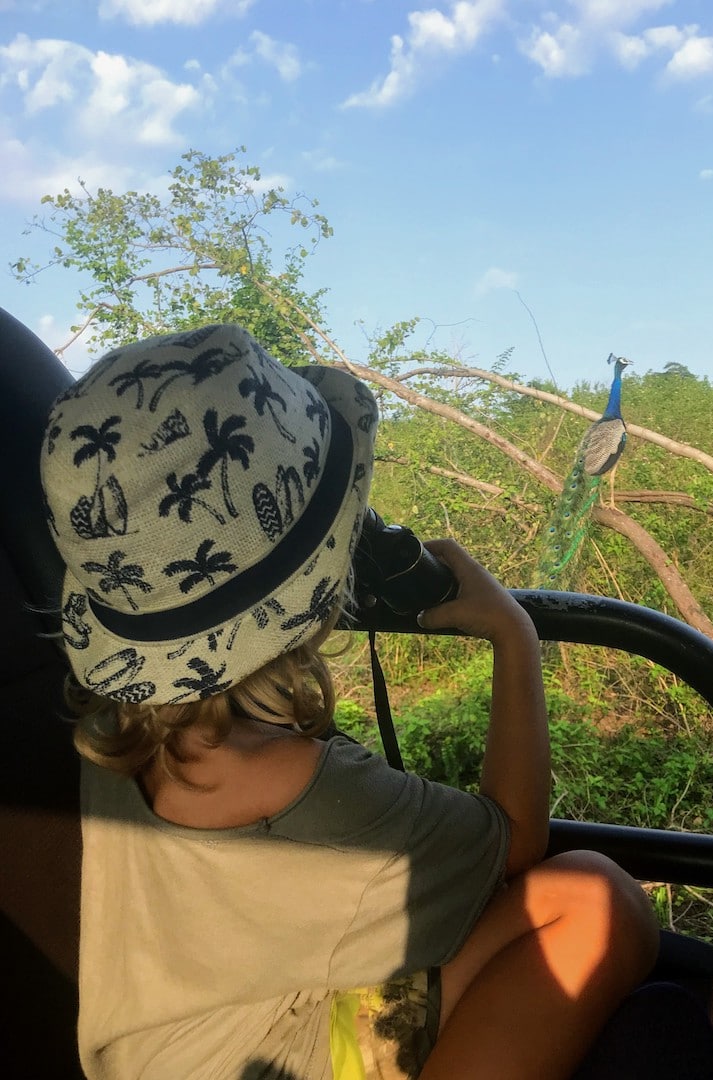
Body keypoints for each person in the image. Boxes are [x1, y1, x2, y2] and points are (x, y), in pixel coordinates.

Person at [41, 324, 659, 1080]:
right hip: (275, 1060)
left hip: (165, 1052)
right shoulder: (305, 788)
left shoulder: (110, 728)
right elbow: (516, 841)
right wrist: (512, 631)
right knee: (601, 899)